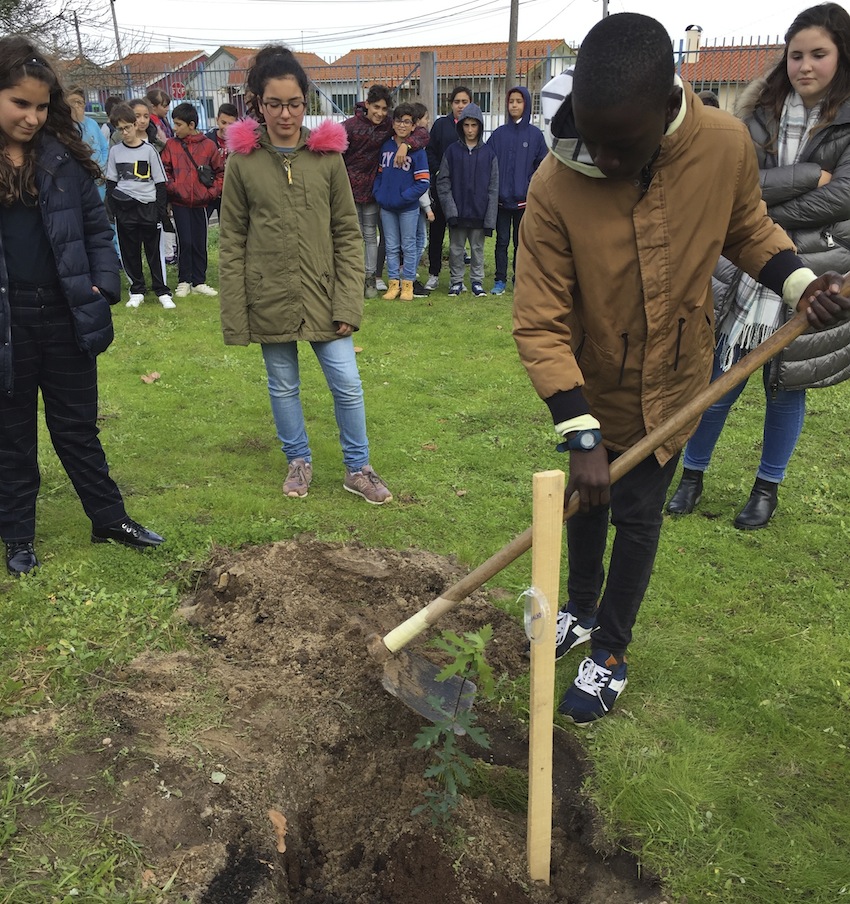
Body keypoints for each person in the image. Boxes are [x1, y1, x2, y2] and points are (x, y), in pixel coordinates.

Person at [512, 13, 848, 723]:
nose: (601, 159)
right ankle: (576, 608)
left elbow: (747, 228)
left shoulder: (722, 147)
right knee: (585, 503)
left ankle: (610, 652)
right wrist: (579, 433)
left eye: (620, 146)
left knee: (637, 514)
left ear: (670, 108)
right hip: (590, 380)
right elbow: (540, 319)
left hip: (675, 376)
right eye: (591, 140)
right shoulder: (554, 182)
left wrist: (799, 286)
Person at [668, 2, 850, 529]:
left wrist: (762, 201)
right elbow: (733, 189)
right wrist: (809, 174)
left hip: (817, 270)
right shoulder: (756, 113)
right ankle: (691, 476)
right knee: (719, 378)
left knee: (785, 387)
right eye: (796, 55)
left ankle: (766, 488)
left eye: (819, 54)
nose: (805, 66)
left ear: (841, 56)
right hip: (746, 271)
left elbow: (840, 200)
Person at [0, 36, 164, 576]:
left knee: (77, 427)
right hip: (8, 322)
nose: (32, 116)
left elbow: (97, 229)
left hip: (67, 311)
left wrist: (103, 286)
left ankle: (108, 518)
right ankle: (18, 535)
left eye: (41, 106)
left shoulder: (62, 157)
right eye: (19, 103)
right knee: (13, 432)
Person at [219, 45, 393, 505]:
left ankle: (359, 467)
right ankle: (298, 460)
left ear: (306, 102)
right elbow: (232, 240)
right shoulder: (242, 161)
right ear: (257, 102)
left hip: (323, 293)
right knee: (282, 384)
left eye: (294, 103)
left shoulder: (327, 157)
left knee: (348, 383)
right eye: (274, 103)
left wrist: (348, 303)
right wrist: (236, 314)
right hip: (269, 293)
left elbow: (347, 235)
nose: (285, 114)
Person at [342, 85, 428, 298]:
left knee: (372, 236)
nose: (379, 113)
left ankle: (372, 278)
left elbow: (422, 133)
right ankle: (350, 280)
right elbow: (330, 144)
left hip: (372, 193)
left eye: (384, 108)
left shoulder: (390, 124)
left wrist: (406, 145)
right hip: (349, 190)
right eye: (376, 107)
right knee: (349, 236)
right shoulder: (350, 126)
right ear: (367, 104)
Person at [105, 101, 174, 308]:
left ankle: (162, 290)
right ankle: (136, 289)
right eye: (120, 129)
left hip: (148, 207)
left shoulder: (150, 150)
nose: (125, 132)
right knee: (129, 250)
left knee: (154, 250)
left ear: (136, 125)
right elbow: (111, 183)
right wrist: (116, 209)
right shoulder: (115, 152)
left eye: (128, 127)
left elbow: (161, 183)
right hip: (125, 209)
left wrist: (159, 211)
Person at [486, 85, 547, 295]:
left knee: (522, 243)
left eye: (519, 101)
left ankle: (520, 279)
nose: (514, 105)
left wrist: (530, 186)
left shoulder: (536, 135)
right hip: (502, 201)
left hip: (524, 202)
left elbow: (543, 166)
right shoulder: (499, 135)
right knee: (501, 242)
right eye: (511, 101)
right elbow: (488, 162)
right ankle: (500, 280)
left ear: (526, 104)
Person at [160, 101, 223, 298]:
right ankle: (184, 280)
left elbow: (220, 172)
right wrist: (174, 188)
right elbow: (165, 171)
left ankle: (199, 280)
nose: (174, 128)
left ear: (192, 124)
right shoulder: (171, 145)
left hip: (202, 203)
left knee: (199, 241)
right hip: (180, 203)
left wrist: (211, 193)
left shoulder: (208, 146)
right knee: (184, 241)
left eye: (178, 124)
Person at [436, 102, 498, 297]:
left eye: (474, 125)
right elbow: (443, 182)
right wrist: (450, 211)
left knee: (477, 249)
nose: (470, 130)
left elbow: (493, 188)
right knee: (456, 249)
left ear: (480, 126)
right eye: (466, 125)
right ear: (460, 126)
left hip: (479, 212)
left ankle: (477, 281)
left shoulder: (489, 154)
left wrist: (489, 219)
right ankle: (456, 282)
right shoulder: (452, 152)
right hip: (458, 212)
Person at [373, 103, 430, 301]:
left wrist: (405, 197)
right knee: (391, 246)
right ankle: (393, 284)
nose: (402, 125)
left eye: (407, 122)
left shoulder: (418, 151)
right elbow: (380, 174)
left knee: (409, 245)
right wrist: (379, 194)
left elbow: (423, 182)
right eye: (399, 121)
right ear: (393, 123)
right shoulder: (387, 147)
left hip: (408, 208)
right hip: (387, 207)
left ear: (414, 126)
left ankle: (408, 284)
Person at [424, 85, 472, 291]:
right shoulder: (441, 125)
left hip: (461, 192)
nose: (460, 106)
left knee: (457, 236)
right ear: (450, 104)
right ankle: (434, 273)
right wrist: (439, 172)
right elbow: (430, 152)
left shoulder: (472, 127)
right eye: (457, 102)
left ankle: (456, 278)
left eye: (464, 102)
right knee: (436, 233)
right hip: (440, 189)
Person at [411, 101, 435, 297]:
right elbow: (421, 182)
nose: (428, 121)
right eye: (426, 118)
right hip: (417, 203)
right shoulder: (417, 149)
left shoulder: (413, 145)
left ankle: (407, 274)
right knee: (419, 240)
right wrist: (427, 207)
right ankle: (408, 276)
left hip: (414, 202)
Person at [204, 102, 238, 221]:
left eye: (231, 124)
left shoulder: (240, 142)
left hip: (229, 191)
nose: (227, 128)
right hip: (209, 189)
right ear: (217, 120)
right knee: (202, 225)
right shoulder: (207, 140)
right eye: (223, 123)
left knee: (227, 226)